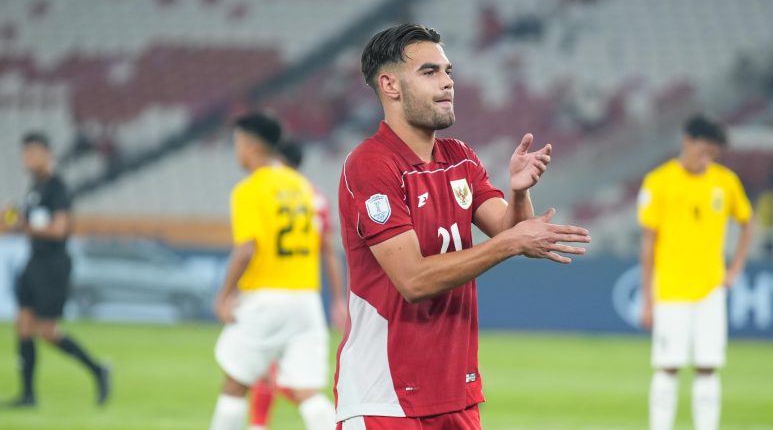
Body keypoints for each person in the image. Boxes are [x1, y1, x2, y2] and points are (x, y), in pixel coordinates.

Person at [334, 23, 591, 429]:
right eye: (430, 72)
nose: (448, 82)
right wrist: (508, 244)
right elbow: (413, 280)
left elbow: (512, 232)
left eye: (448, 71)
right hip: (384, 397)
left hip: (456, 394)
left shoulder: (460, 157)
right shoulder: (372, 165)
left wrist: (519, 192)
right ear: (390, 85)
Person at [209, 113, 334, 430]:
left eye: (236, 143)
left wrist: (224, 295)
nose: (235, 151)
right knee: (307, 391)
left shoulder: (250, 190)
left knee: (236, 384)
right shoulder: (304, 188)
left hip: (266, 297)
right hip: (306, 299)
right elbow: (325, 246)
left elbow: (246, 249)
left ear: (249, 146)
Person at [638, 115, 753, 430]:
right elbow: (648, 244)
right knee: (667, 366)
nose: (706, 160)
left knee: (708, 367)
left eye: (712, 155)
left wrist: (736, 266)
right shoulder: (658, 182)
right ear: (686, 142)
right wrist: (647, 299)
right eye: (702, 152)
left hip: (710, 289)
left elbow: (747, 221)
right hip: (671, 289)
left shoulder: (725, 181)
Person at [1, 132, 110, 408]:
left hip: (52, 266)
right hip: (33, 261)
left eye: (33, 153)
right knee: (23, 326)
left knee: (46, 330)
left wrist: (24, 225)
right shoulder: (34, 189)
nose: (28, 159)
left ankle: (97, 369)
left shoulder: (57, 188)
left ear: (47, 155)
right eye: (25, 154)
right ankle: (28, 395)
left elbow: (60, 229)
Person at [247, 139, 348, 430]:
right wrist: (338, 299)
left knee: (261, 371)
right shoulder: (313, 195)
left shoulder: (267, 189)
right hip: (306, 298)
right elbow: (328, 251)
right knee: (286, 376)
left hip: (270, 291)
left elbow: (251, 246)